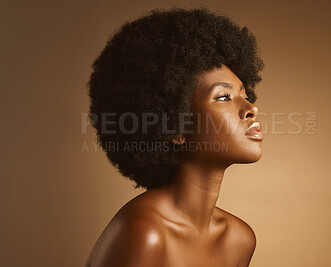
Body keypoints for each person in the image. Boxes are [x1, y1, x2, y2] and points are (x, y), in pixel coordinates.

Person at [85, 6, 264, 267]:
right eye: (224, 97)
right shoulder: (144, 232)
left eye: (244, 95)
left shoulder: (239, 239)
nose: (252, 109)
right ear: (176, 128)